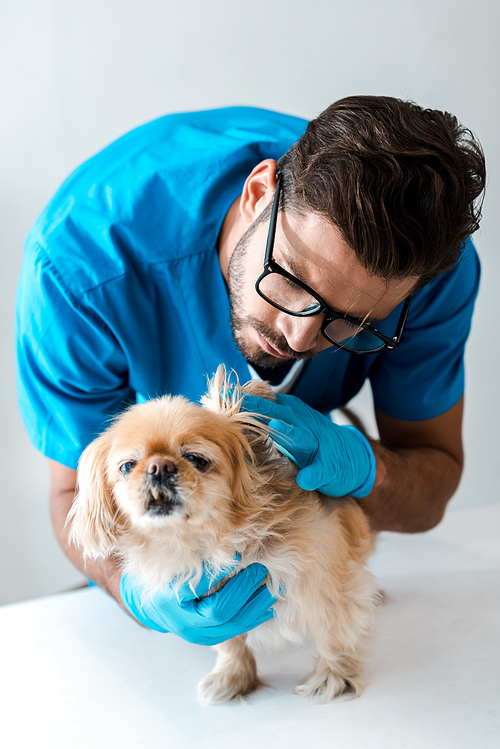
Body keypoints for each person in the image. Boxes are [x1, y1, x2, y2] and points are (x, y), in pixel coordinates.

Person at [15, 96, 485, 645]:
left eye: (352, 322)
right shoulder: (78, 270)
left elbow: (432, 482)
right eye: (290, 281)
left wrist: (361, 466)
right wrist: (137, 595)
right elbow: (73, 493)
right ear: (258, 193)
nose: (299, 338)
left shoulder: (426, 275)